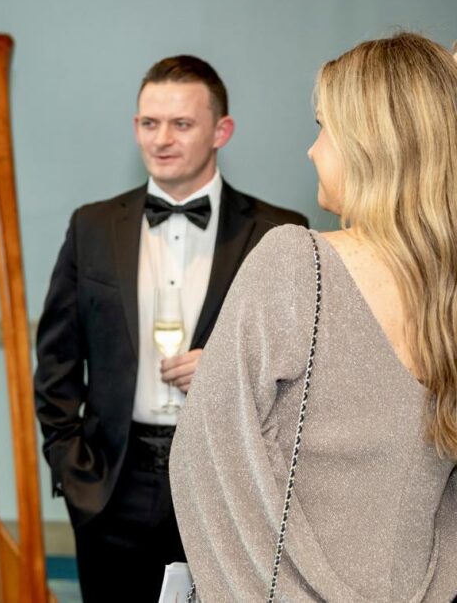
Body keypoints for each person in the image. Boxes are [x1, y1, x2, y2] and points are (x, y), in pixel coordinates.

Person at [170, 33, 457, 601]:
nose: (312, 150)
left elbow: (206, 464)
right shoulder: (446, 296)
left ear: (370, 144)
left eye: (324, 127)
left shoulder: (297, 262)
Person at [34, 55, 307, 601]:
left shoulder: (280, 233)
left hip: (226, 479)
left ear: (220, 131)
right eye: (148, 123)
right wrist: (71, 465)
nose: (161, 139)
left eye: (181, 124)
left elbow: (304, 366)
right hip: (110, 482)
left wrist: (229, 368)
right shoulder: (91, 225)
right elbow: (57, 360)